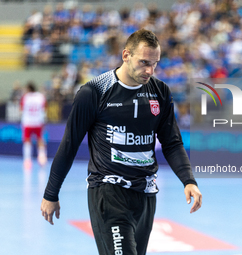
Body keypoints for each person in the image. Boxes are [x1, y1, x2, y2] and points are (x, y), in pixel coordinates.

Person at [40, 29, 202, 255]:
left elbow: (172, 143)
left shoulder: (160, 92)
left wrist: (189, 180)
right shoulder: (94, 92)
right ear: (126, 55)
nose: (149, 70)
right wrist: (51, 193)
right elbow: (69, 144)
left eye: (154, 64)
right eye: (144, 62)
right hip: (108, 191)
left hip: (146, 193)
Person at [20, 81, 47, 169]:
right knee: (40, 139)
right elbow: (45, 107)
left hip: (28, 122)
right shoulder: (40, 96)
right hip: (38, 121)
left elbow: (21, 108)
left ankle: (27, 160)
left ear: (28, 89)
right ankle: (42, 157)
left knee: (27, 141)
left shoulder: (25, 97)